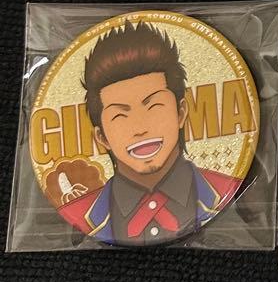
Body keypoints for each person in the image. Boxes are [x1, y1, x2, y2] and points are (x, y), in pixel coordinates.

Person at [57, 22, 241, 246]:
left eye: (154, 106)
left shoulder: (224, 187)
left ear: (181, 112)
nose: (140, 129)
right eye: (120, 116)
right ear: (102, 137)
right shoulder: (80, 212)